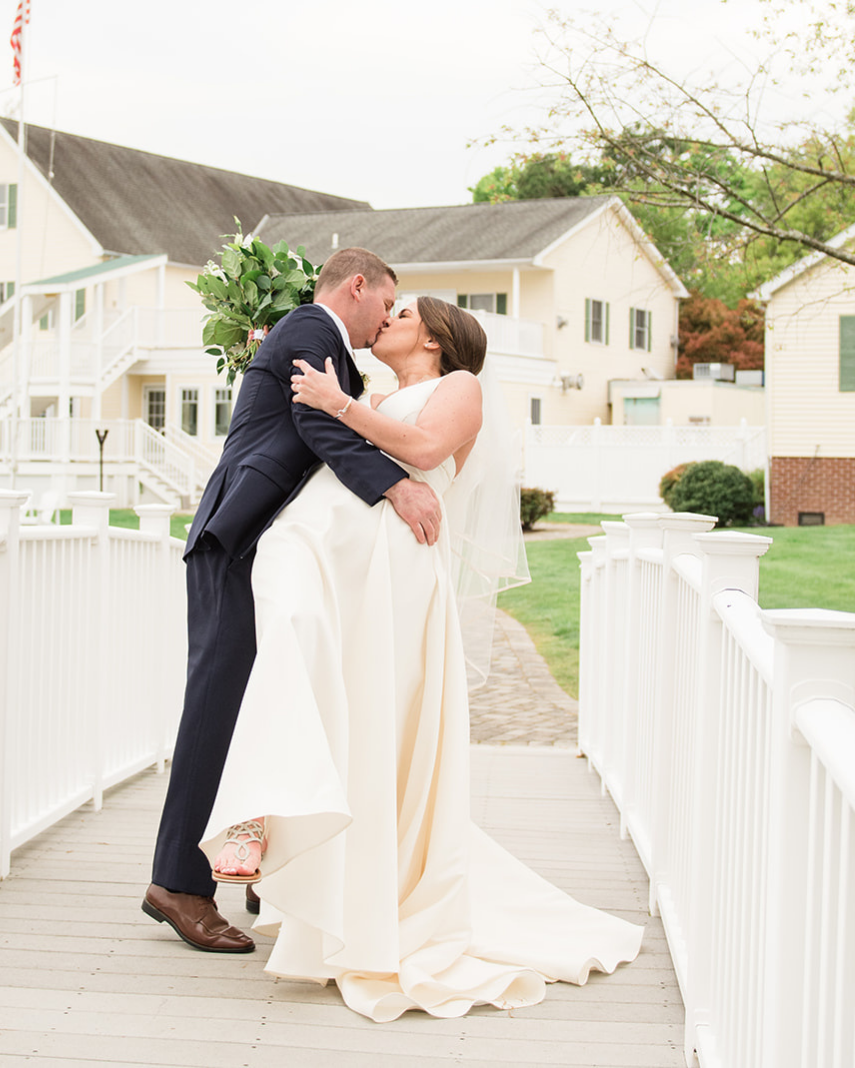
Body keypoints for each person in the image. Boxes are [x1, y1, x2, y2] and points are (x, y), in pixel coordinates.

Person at [198, 297, 644, 1020]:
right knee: (303, 653)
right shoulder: (375, 392)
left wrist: (340, 402)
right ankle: (277, 817)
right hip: (338, 558)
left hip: (394, 569)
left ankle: (320, 859)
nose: (388, 321)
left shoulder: (458, 385)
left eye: (402, 313)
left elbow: (426, 449)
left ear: (433, 338)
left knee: (377, 720)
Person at [143, 248, 444, 953]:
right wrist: (396, 487)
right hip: (234, 539)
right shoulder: (310, 328)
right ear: (359, 286)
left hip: (266, 552)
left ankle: (261, 871)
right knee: (216, 712)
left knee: (266, 709)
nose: (387, 319)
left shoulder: (327, 346)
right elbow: (319, 426)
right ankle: (179, 884)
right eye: (387, 302)